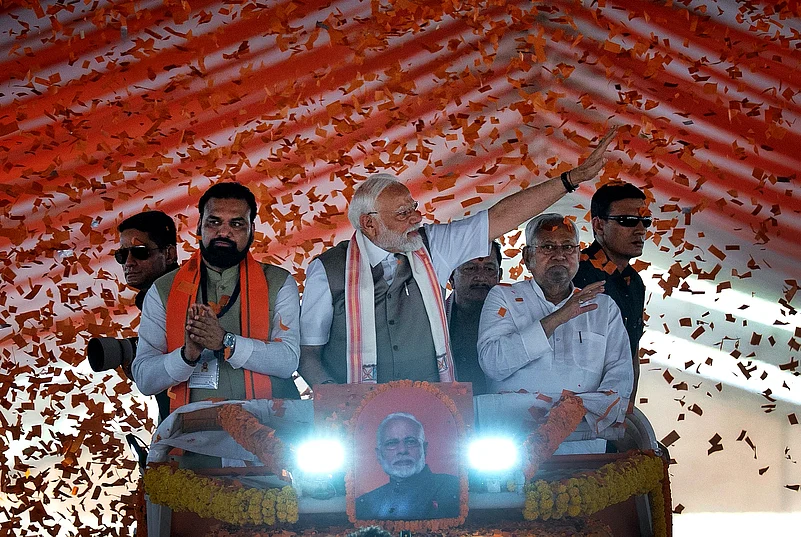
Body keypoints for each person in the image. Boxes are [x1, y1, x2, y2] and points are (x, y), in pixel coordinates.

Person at [299, 128, 617, 386]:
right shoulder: (326, 270)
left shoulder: (432, 246)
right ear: (370, 223)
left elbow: (502, 216)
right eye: (402, 213)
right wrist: (330, 397)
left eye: (414, 208)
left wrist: (570, 180)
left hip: (430, 410)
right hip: (353, 416)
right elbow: (308, 353)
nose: (415, 219)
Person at [132, 182, 301, 419]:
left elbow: (288, 361)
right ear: (199, 225)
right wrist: (186, 355)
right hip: (190, 442)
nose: (224, 232)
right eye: (214, 222)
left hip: (271, 436)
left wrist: (226, 341)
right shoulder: (164, 289)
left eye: (236, 224)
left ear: (251, 229)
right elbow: (145, 379)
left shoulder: (279, 282)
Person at [477, 213, 633, 437]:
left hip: (581, 433)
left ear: (578, 255)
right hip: (511, 436)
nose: (559, 255)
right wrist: (560, 316)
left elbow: (620, 378)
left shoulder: (603, 306)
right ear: (527, 256)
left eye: (568, 247)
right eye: (547, 247)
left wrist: (573, 411)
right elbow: (493, 363)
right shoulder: (503, 297)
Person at [573, 182, 648, 404]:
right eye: (628, 221)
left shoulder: (635, 282)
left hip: (614, 405)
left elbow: (632, 353)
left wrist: (627, 409)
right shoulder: (576, 273)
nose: (640, 230)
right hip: (576, 402)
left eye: (645, 221)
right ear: (598, 225)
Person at [355, 413, 460, 520]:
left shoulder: (455, 488)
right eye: (391, 443)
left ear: (424, 449)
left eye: (410, 441)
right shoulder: (364, 505)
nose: (402, 450)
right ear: (379, 455)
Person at [446, 242, 502, 395]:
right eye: (470, 268)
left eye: (489, 269)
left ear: (500, 276)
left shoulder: (518, 317)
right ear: (451, 277)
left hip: (500, 411)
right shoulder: (432, 319)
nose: (480, 277)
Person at [117, 211, 179, 310]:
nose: (128, 263)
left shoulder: (189, 298)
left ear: (169, 255)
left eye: (140, 252)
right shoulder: (149, 300)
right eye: (122, 254)